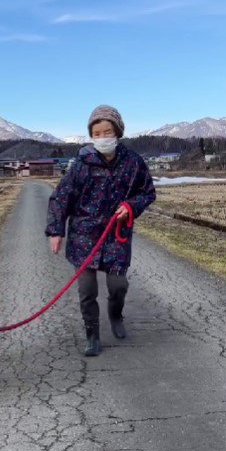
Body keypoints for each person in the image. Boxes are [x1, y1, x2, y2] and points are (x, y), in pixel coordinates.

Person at [45, 104, 156, 356]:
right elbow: (61, 197)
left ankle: (116, 314)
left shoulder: (133, 163)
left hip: (116, 235)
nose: (103, 137)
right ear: (91, 135)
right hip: (84, 236)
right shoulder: (82, 164)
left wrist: (131, 205)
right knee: (87, 290)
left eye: (108, 131)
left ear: (118, 132)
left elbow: (147, 192)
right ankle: (92, 333)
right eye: (97, 133)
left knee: (118, 285)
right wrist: (56, 231)